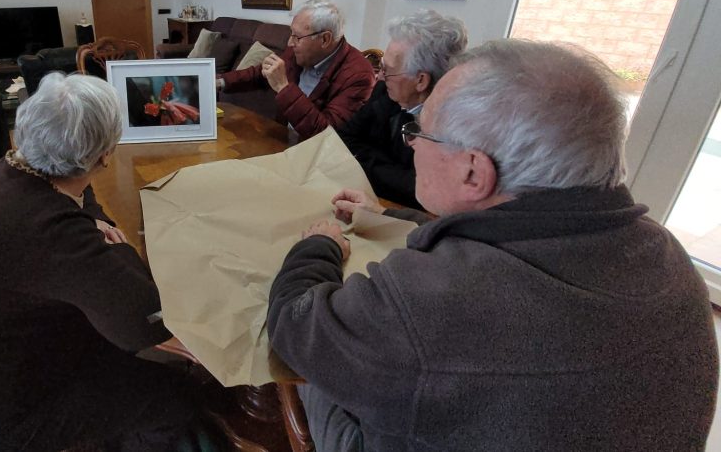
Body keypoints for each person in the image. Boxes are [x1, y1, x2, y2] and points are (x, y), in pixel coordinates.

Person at [267, 40, 718, 451]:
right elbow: (515, 233)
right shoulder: (669, 255)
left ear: (473, 173)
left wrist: (320, 247)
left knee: (309, 376)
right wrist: (388, 216)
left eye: (418, 133)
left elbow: (294, 325)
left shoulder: (429, 298)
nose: (414, 147)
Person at [0, 72, 199, 452]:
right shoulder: (51, 230)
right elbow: (142, 323)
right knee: (178, 397)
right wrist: (117, 245)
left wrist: (100, 227)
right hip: (9, 412)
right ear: (105, 156)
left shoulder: (18, 167)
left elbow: (84, 194)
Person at [339, 9, 467, 208]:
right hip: (367, 200)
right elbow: (345, 139)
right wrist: (387, 170)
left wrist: (369, 164)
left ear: (421, 81)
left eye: (388, 70)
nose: (380, 77)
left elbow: (421, 190)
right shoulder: (385, 91)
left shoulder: (456, 123)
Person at [217, 0, 374, 141]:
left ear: (325, 39)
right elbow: (260, 73)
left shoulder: (359, 75)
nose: (290, 43)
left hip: (315, 157)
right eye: (291, 34)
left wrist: (283, 88)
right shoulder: (298, 53)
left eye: (297, 37)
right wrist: (220, 82)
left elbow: (325, 135)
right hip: (284, 140)